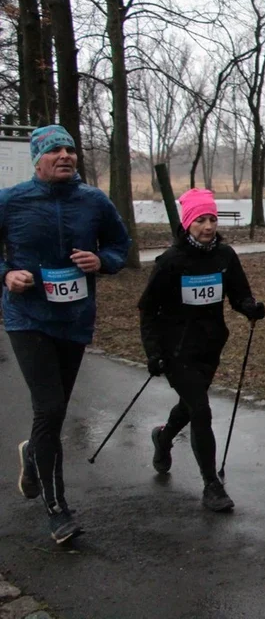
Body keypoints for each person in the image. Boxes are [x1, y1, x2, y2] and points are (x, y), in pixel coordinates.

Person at [1, 124, 131, 543]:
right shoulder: (11, 201)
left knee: (53, 411)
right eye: (54, 150)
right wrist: (7, 275)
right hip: (28, 318)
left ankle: (35, 457)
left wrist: (102, 261)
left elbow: (119, 244)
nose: (64, 156)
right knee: (50, 408)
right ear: (37, 158)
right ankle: (57, 509)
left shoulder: (93, 201)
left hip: (74, 319)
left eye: (70, 149)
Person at [138, 189, 265, 512]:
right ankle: (211, 485)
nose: (208, 226)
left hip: (209, 346)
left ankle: (164, 438)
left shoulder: (224, 256)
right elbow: (148, 310)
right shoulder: (170, 261)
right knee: (201, 410)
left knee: (190, 405)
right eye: (200, 220)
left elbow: (238, 295)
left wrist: (250, 307)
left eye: (212, 218)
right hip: (175, 351)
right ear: (187, 223)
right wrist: (153, 352)